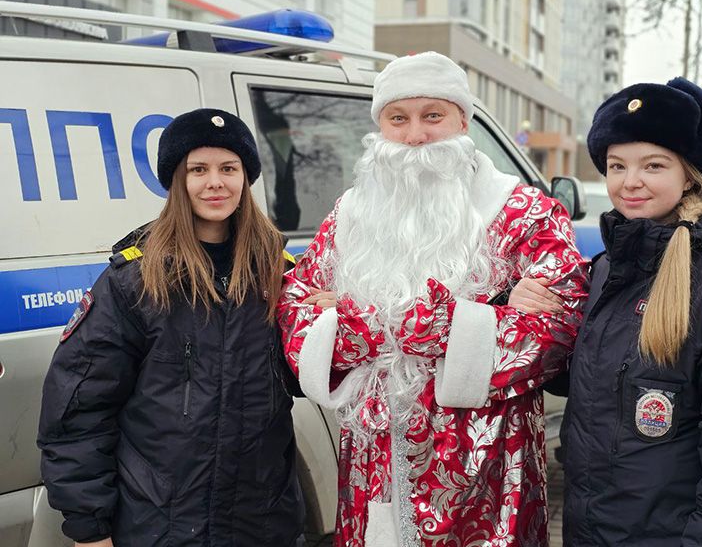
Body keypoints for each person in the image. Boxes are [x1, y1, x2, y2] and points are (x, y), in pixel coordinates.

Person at [278, 51, 589, 546]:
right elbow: (297, 307)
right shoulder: (351, 212)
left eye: (433, 116)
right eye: (398, 119)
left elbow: (561, 321)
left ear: (463, 120)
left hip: (487, 463)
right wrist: (367, 328)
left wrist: (446, 328)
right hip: (375, 463)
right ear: (380, 126)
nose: (416, 135)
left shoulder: (523, 210)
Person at [515, 77, 702, 546]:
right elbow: (584, 376)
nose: (630, 182)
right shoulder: (607, 270)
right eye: (616, 165)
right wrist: (518, 306)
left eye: (653, 165)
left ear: (688, 174)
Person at [37, 109, 305, 547]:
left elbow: (307, 380)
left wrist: (334, 324)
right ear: (176, 181)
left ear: (246, 178)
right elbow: (79, 410)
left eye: (228, 168)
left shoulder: (279, 275)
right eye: (198, 169)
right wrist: (89, 528)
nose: (215, 182)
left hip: (262, 521)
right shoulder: (135, 281)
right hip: (161, 524)